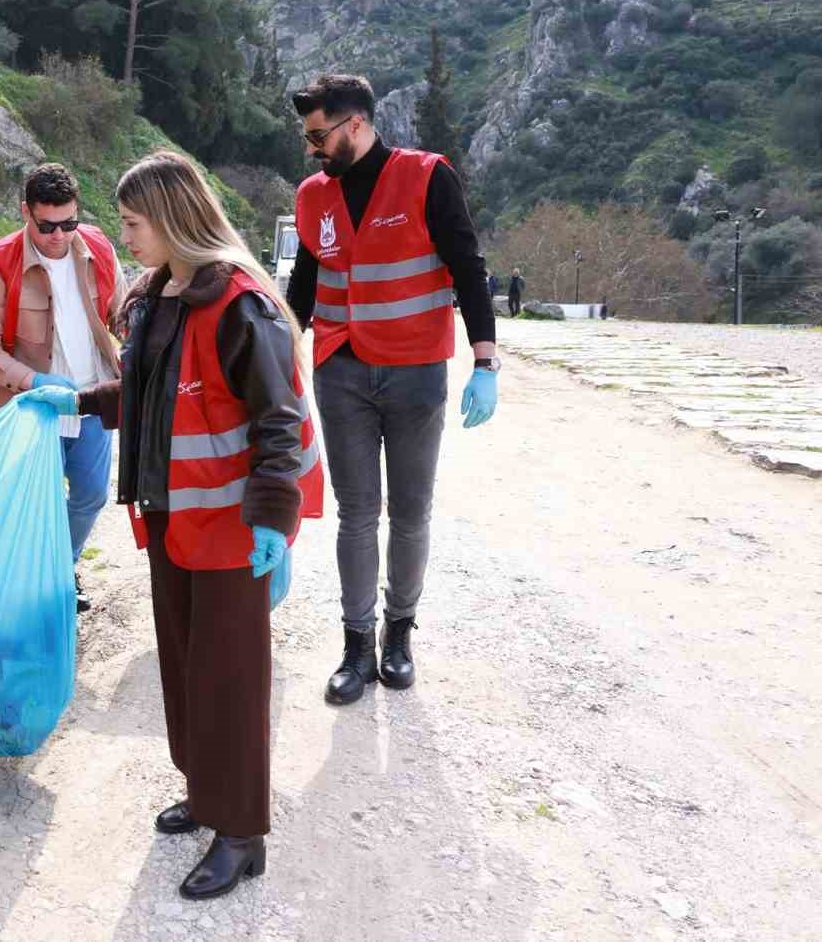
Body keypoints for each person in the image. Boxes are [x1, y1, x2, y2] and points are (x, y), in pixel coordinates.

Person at [29, 150, 323, 901]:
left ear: (169, 219)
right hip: (172, 520)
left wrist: (272, 518)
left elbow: (280, 421)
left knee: (230, 679)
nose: (122, 235)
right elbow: (148, 397)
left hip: (229, 526)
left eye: (131, 222)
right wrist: (77, 403)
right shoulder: (163, 296)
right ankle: (206, 791)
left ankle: (242, 834)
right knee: (187, 666)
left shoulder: (239, 306)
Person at [285, 73, 499, 706]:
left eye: (319, 134)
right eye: (307, 136)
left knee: (409, 513)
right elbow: (303, 284)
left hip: (415, 371)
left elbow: (468, 266)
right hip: (342, 372)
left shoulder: (427, 177)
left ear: (356, 124)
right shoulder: (312, 196)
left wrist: (484, 363)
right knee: (356, 514)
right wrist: (272, 347)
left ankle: (399, 635)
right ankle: (356, 644)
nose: (312, 147)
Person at [0, 163, 126, 613]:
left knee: (92, 494)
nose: (59, 235)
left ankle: (62, 565)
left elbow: (119, 311)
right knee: (41, 499)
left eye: (69, 223)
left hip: (92, 397)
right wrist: (34, 380)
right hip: (35, 406)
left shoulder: (96, 247)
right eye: (47, 225)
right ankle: (39, 584)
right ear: (25, 213)